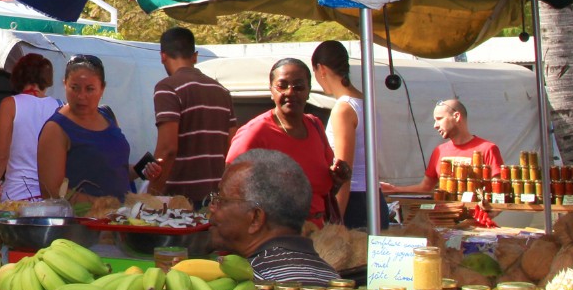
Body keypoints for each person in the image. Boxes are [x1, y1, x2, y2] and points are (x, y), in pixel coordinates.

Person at [226, 58, 346, 223]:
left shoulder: (315, 125)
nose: (290, 92)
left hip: (320, 233)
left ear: (308, 91)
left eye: (298, 87)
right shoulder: (254, 133)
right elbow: (230, 189)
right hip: (277, 235)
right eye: (282, 86)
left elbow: (323, 188)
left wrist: (337, 180)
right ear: (271, 90)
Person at [209, 150, 341, 285]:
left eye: (220, 200)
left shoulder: (250, 283)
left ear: (255, 218)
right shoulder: (333, 277)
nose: (211, 208)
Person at [146, 27, 234, 204]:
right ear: (195, 56)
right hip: (215, 199)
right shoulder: (222, 91)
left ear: (163, 56)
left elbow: (167, 149)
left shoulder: (168, 88)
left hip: (179, 201)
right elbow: (232, 146)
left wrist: (151, 195)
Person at [37, 55, 134, 202]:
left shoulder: (108, 115)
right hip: (83, 216)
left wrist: (142, 170)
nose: (81, 96)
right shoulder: (55, 129)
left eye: (90, 89)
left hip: (121, 214)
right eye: (74, 88)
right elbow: (51, 191)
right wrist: (103, 204)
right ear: (65, 84)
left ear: (102, 88)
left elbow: (113, 171)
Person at [379, 98, 505, 196]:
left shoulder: (487, 149)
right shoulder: (439, 151)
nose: (435, 125)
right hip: (444, 218)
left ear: (456, 116)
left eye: (439, 119)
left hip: (477, 219)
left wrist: (486, 214)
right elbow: (426, 187)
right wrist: (394, 189)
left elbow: (499, 192)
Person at [0, 53, 59, 199]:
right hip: (50, 196)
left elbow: (0, 155)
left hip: (17, 195)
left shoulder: (10, 104)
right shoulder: (60, 106)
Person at [312, 40, 369, 224]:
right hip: (372, 197)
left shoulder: (343, 109)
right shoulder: (366, 102)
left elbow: (344, 172)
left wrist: (337, 220)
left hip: (352, 202)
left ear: (321, 69)